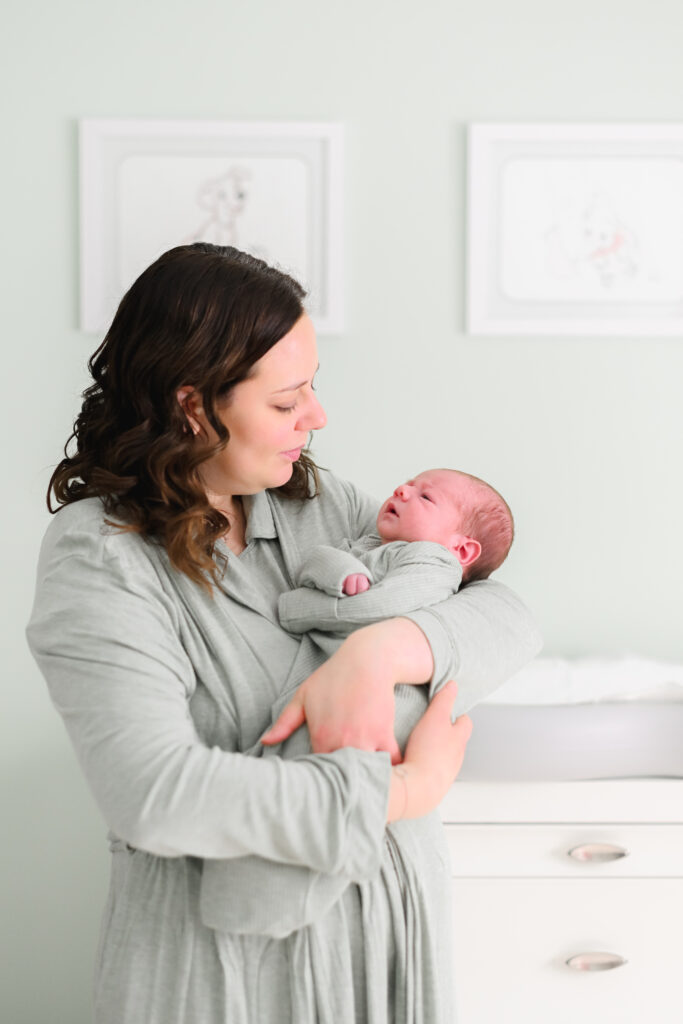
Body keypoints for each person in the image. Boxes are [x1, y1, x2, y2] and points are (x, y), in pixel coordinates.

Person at [26, 243, 542, 1024]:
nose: (316, 417)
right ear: (193, 406)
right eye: (284, 401)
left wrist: (375, 653)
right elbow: (155, 795)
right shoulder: (102, 557)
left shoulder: (317, 505)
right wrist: (402, 791)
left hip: (387, 942)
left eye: (312, 388)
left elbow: (504, 615)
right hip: (224, 975)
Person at [201, 467, 515, 938]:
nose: (403, 489)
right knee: (298, 763)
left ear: (462, 549)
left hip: (391, 697)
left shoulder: (432, 563)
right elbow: (315, 564)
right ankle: (255, 887)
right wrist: (343, 572)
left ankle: (266, 893)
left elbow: (376, 609)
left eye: (426, 497)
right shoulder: (368, 545)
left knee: (330, 766)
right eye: (409, 484)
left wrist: (302, 609)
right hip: (331, 678)